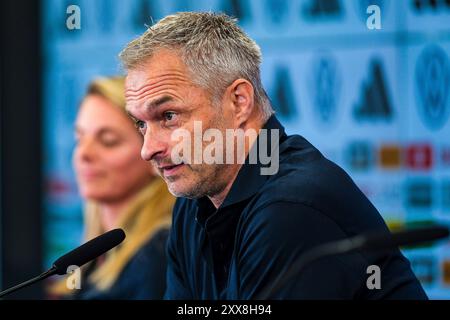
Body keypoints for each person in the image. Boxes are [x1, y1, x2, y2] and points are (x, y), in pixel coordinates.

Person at [119, 12, 427, 299]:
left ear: (239, 102)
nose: (148, 149)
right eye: (142, 124)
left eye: (169, 116)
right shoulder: (192, 207)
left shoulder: (292, 206)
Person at [50, 76, 175, 299]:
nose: (83, 154)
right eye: (80, 139)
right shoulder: (96, 258)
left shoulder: (159, 255)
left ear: (152, 151)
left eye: (108, 141)